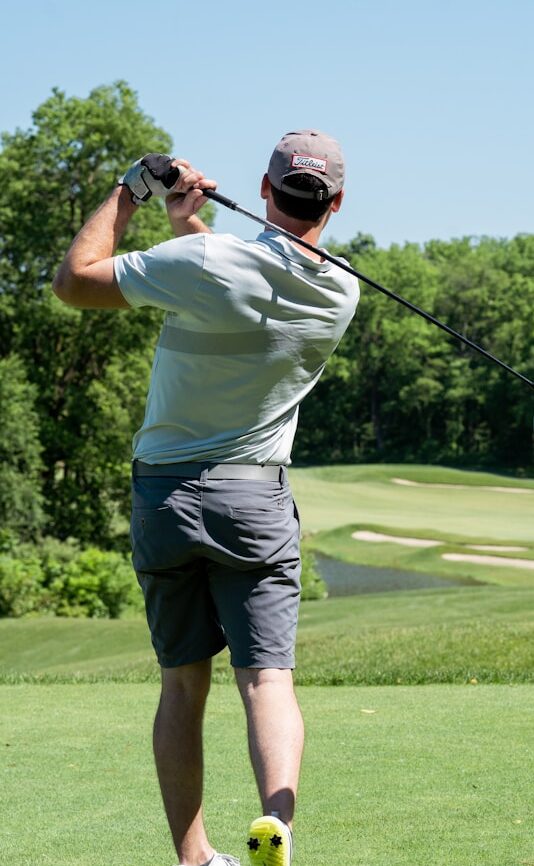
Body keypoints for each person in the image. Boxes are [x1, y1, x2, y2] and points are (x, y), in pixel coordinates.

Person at [53, 130, 360, 866]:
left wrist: (133, 192)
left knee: (182, 687)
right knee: (266, 680)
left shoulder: (204, 261)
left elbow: (75, 280)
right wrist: (188, 221)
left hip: (164, 496)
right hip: (253, 500)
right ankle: (275, 824)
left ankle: (194, 857)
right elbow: (241, 284)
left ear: (263, 189)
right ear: (337, 202)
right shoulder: (341, 289)